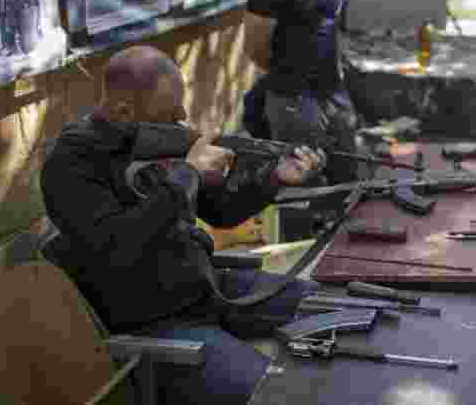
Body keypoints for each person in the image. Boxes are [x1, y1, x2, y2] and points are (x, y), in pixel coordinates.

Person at [40, 46, 324, 405]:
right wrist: (186, 174)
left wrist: (274, 178)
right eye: (170, 116)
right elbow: (117, 246)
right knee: (276, 395)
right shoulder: (71, 167)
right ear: (124, 111)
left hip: (208, 286)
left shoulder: (148, 141)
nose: (183, 120)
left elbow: (221, 211)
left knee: (336, 309)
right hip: (158, 320)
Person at [242, 0, 359, 185]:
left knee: (347, 177)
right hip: (293, 100)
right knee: (305, 190)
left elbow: (330, 25)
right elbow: (255, 47)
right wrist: (290, 77)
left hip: (334, 92)